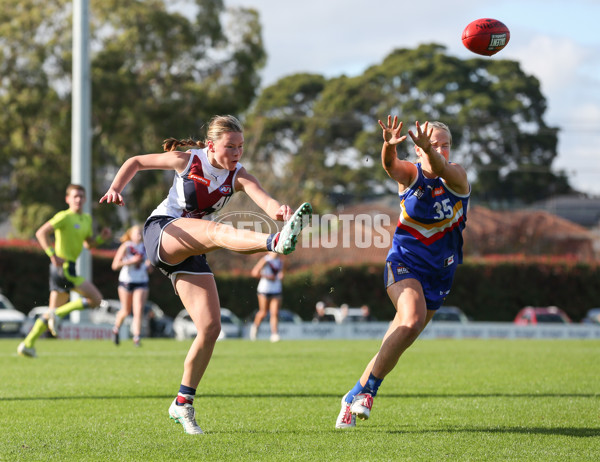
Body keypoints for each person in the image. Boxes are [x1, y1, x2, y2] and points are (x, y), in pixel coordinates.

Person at [100, 115, 312, 435]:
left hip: (192, 248)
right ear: (212, 145)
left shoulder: (239, 175)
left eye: (241, 147)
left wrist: (279, 211)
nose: (237, 153)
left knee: (211, 328)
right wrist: (116, 187)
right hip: (162, 232)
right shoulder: (186, 161)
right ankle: (273, 242)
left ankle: (182, 403)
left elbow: (266, 201)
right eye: (231, 147)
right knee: (216, 230)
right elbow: (136, 161)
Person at [335, 116, 470, 429]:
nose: (439, 150)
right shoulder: (411, 173)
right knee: (410, 321)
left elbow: (443, 168)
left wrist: (432, 153)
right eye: (431, 145)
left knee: (397, 339)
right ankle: (368, 392)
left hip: (441, 273)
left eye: (444, 145)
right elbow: (390, 165)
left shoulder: (458, 176)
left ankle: (353, 395)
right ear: (417, 150)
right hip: (405, 262)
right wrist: (387, 146)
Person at [18, 184, 112, 358]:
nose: (78, 199)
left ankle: (28, 344)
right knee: (96, 299)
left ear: (84, 199)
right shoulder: (64, 217)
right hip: (63, 268)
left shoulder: (86, 219)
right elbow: (41, 233)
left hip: (67, 268)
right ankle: (57, 315)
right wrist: (52, 254)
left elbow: (88, 244)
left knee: (50, 313)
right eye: (75, 196)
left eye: (81, 196)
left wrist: (101, 238)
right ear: (67, 199)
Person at [111, 224, 152, 347]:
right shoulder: (126, 246)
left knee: (138, 309)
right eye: (137, 233)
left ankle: (137, 337)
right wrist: (131, 262)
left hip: (141, 281)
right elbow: (115, 265)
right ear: (131, 235)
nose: (139, 235)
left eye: (141, 233)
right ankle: (116, 329)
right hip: (126, 281)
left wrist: (149, 266)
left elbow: (149, 267)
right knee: (125, 310)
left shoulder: (146, 247)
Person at [249, 253, 284, 342]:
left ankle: (274, 334)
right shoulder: (265, 260)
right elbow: (254, 273)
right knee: (263, 312)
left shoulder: (280, 261)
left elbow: (280, 273)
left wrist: (281, 275)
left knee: (275, 313)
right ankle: (255, 328)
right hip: (264, 289)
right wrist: (268, 277)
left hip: (276, 289)